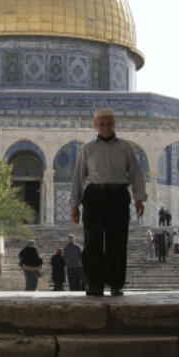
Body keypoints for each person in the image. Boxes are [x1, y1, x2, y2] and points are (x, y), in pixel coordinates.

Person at [70, 107, 146, 297]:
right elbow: (79, 177)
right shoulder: (88, 148)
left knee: (117, 240)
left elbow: (136, 173)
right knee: (92, 241)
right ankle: (94, 284)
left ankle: (116, 283)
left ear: (114, 124)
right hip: (94, 196)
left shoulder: (125, 147)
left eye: (109, 124)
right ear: (95, 125)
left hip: (118, 196)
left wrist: (139, 198)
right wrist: (75, 204)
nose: (106, 127)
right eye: (102, 124)